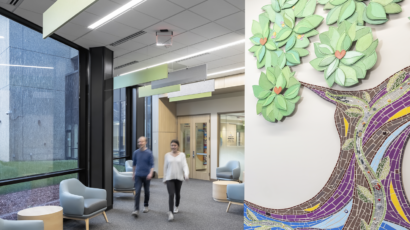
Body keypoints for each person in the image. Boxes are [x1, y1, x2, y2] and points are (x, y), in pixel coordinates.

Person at [163, 139, 189, 221]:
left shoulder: (182, 155)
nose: (173, 147)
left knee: (177, 193)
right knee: (171, 194)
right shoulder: (167, 155)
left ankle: (176, 206)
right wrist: (164, 178)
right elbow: (165, 167)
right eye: (172, 145)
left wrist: (186, 173)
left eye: (175, 145)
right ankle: (170, 212)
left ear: (178, 146)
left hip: (179, 178)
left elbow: (185, 165)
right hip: (169, 177)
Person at [132, 136, 154, 217]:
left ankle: (146, 205)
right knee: (137, 192)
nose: (140, 143)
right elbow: (134, 164)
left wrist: (150, 173)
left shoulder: (149, 153)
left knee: (146, 191)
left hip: (146, 176)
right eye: (139, 142)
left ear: (146, 142)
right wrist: (133, 173)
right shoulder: (135, 153)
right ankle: (136, 209)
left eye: (142, 141)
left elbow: (152, 165)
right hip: (138, 175)